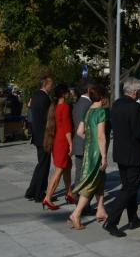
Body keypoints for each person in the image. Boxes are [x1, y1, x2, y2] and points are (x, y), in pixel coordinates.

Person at [103, 78, 140, 237]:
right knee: (129, 188)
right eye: (139, 91)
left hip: (121, 152)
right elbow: (139, 133)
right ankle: (111, 221)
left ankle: (133, 218)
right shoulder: (134, 107)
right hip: (133, 153)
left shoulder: (116, 104)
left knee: (130, 187)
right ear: (135, 92)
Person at [68, 84, 109, 230]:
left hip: (88, 150)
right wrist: (104, 156)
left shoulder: (89, 111)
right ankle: (76, 214)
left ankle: (100, 209)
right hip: (96, 152)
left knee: (98, 180)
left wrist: (89, 140)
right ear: (103, 98)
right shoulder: (100, 112)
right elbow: (101, 136)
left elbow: (79, 131)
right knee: (91, 183)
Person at [42, 84, 76, 210]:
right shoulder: (65, 107)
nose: (70, 94)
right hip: (63, 141)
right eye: (68, 92)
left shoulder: (55, 106)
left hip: (57, 140)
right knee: (59, 170)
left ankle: (69, 193)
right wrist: (71, 143)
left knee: (67, 167)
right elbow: (66, 128)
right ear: (64, 94)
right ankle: (48, 198)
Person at [25, 76, 54, 202]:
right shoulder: (44, 98)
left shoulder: (35, 95)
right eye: (51, 84)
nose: (52, 86)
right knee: (44, 165)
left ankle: (31, 191)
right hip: (44, 136)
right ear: (46, 84)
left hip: (37, 134)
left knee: (41, 164)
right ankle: (39, 193)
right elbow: (48, 118)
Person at [71, 83, 93, 197]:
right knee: (86, 175)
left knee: (79, 172)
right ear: (88, 89)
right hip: (85, 142)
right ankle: (83, 203)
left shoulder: (78, 103)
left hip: (78, 142)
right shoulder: (89, 104)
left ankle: (75, 195)